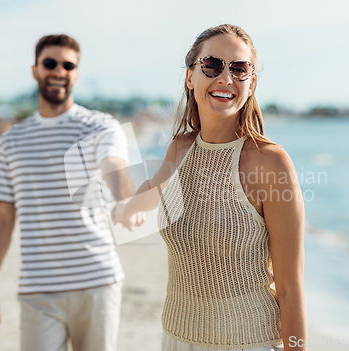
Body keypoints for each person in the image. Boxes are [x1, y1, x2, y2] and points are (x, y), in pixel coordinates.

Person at [114, 24, 307, 350]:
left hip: (249, 341)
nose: (226, 78)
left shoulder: (270, 162)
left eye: (239, 68)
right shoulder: (179, 149)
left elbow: (290, 287)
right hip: (176, 338)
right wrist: (126, 208)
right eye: (213, 65)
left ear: (251, 83)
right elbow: (150, 193)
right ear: (191, 76)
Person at [0, 34, 142, 351]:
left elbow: (115, 167)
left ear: (76, 74)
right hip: (38, 289)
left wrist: (126, 201)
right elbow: (2, 218)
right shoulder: (11, 141)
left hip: (98, 281)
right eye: (50, 63)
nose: (59, 71)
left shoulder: (100, 126)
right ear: (34, 70)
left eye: (68, 65)